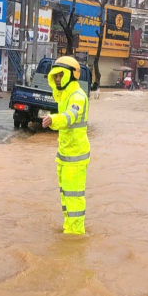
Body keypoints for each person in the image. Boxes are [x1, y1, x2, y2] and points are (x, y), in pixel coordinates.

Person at [41, 56, 90, 235]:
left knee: (74, 199)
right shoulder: (65, 97)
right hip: (65, 156)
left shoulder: (77, 97)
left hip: (75, 159)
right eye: (56, 76)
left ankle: (76, 237)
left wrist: (53, 119)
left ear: (72, 75)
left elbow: (70, 116)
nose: (58, 79)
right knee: (66, 197)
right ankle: (68, 230)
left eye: (61, 75)